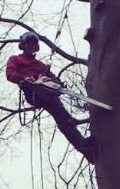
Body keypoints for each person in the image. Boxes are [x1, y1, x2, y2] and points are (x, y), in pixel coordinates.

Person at [6, 31, 96, 163]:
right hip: (32, 92)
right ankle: (83, 146)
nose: (31, 47)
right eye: (28, 45)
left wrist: (56, 83)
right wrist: (25, 79)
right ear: (23, 45)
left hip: (46, 92)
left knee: (65, 119)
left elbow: (54, 78)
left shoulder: (40, 65)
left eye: (33, 45)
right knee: (63, 118)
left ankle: (85, 148)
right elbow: (10, 74)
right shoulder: (15, 59)